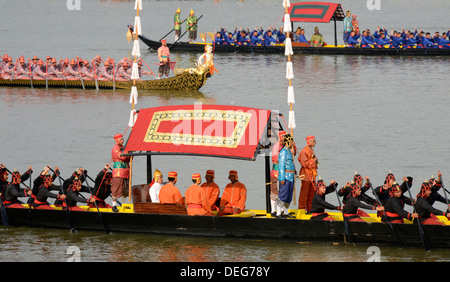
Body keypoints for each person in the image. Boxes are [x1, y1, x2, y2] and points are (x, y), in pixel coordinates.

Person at [276, 133, 296, 219]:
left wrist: (295, 170)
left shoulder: (289, 151)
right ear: (288, 141)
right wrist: (282, 178)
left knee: (289, 195)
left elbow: (291, 162)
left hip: (291, 176)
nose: (292, 142)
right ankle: (278, 213)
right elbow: (281, 165)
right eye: (291, 141)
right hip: (286, 176)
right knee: (283, 194)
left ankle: (286, 211)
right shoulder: (283, 151)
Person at [298, 135, 318, 213]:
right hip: (306, 175)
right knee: (304, 194)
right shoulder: (304, 151)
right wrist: (314, 161)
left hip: (312, 175)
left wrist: (315, 161)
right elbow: (305, 164)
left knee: (312, 193)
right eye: (313, 141)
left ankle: (310, 209)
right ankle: (302, 209)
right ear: (309, 142)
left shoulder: (311, 150)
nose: (315, 143)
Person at [111, 133, 130, 212]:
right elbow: (122, 156)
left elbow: (128, 158)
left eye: (123, 139)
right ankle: (114, 205)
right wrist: (128, 152)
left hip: (126, 171)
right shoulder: (115, 149)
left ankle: (124, 204)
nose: (123, 140)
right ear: (117, 141)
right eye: (121, 139)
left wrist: (129, 152)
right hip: (118, 171)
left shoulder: (124, 147)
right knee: (117, 187)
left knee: (125, 187)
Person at [270, 130, 286, 216]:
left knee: (283, 191)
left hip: (283, 172)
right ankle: (273, 210)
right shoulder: (276, 146)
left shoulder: (284, 146)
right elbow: (275, 158)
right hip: (276, 172)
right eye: (283, 136)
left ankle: (282, 209)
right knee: (275, 190)